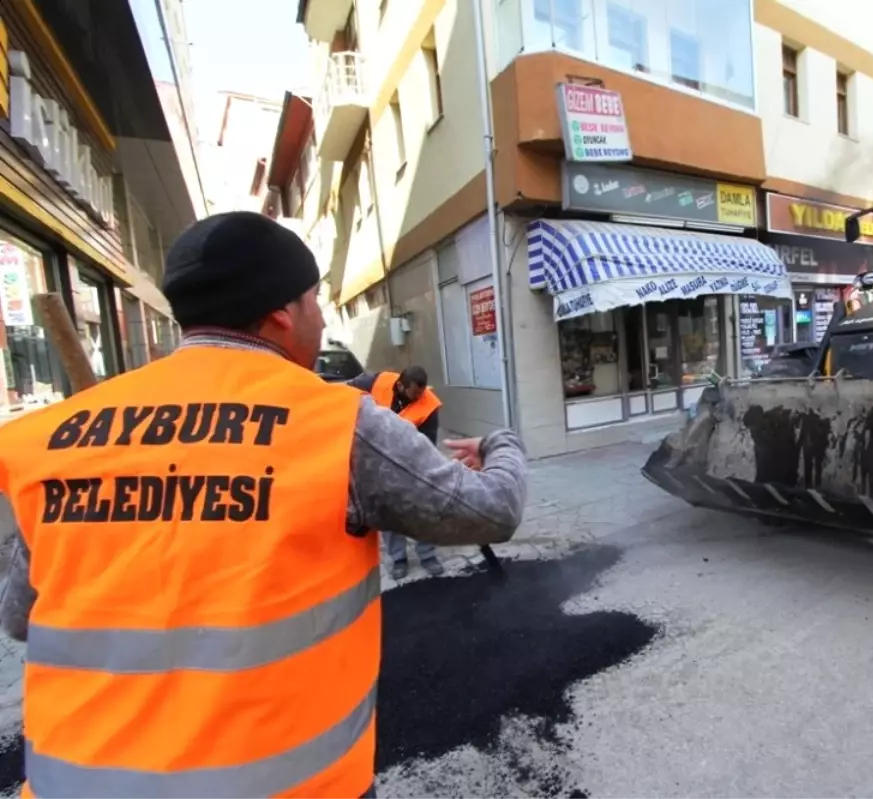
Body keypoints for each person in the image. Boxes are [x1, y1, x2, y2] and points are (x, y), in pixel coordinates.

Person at [0, 211, 528, 799]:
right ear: (281, 313)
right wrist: (500, 443)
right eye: (315, 299)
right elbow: (492, 509)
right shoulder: (335, 425)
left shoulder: (49, 439)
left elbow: (21, 617)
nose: (323, 316)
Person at [348, 365, 444, 579]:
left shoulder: (429, 406)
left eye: (422, 392)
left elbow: (427, 445)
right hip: (378, 458)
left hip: (411, 461)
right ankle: (398, 558)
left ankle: (427, 554)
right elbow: (348, 390)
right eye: (415, 393)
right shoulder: (376, 382)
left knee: (422, 509)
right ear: (400, 386)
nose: (420, 397)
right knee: (388, 510)